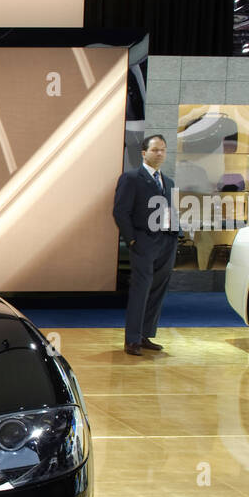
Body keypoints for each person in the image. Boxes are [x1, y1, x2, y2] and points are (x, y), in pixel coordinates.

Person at [113, 134, 174, 355]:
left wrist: (175, 236)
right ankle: (132, 340)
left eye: (163, 150)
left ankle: (146, 334)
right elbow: (120, 211)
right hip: (143, 242)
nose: (160, 154)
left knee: (158, 290)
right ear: (144, 153)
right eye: (156, 150)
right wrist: (131, 240)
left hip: (166, 243)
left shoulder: (169, 182)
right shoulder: (131, 178)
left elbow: (170, 212)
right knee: (141, 290)